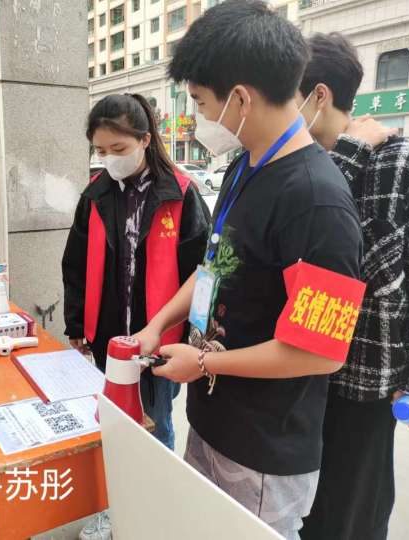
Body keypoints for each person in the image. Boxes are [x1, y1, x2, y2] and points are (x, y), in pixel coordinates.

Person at [133, 2, 365, 538]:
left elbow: (322, 351)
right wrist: (158, 324)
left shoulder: (316, 200)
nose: (197, 117)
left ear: (240, 98)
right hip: (214, 421)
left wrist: (206, 363)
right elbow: (215, 265)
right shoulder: (245, 166)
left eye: (199, 101)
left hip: (264, 450)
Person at [296, 33, 409, 540]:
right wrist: (346, 152)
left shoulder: (401, 161)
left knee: (352, 517)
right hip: (295, 374)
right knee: (297, 513)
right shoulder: (293, 162)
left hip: (367, 381)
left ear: (318, 95)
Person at [62, 93, 210, 540]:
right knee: (113, 426)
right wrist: (76, 326)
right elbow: (75, 263)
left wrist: (196, 341)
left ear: (145, 140)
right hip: (110, 337)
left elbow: (204, 276)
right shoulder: (95, 195)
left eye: (119, 149)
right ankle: (117, 507)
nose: (109, 159)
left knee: (155, 424)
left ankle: (152, 515)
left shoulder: (180, 194)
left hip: (161, 342)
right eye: (100, 150)